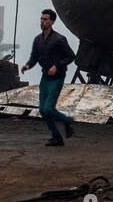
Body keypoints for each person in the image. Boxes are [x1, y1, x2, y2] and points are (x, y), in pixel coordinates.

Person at [21, 8, 76, 146]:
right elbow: (34, 57)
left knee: (48, 108)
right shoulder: (38, 40)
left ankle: (66, 121)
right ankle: (56, 136)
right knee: (42, 111)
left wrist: (56, 66)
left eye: (45, 19)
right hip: (44, 78)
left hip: (57, 78)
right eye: (41, 19)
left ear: (51, 22)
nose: (42, 21)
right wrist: (27, 66)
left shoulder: (59, 40)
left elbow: (71, 56)